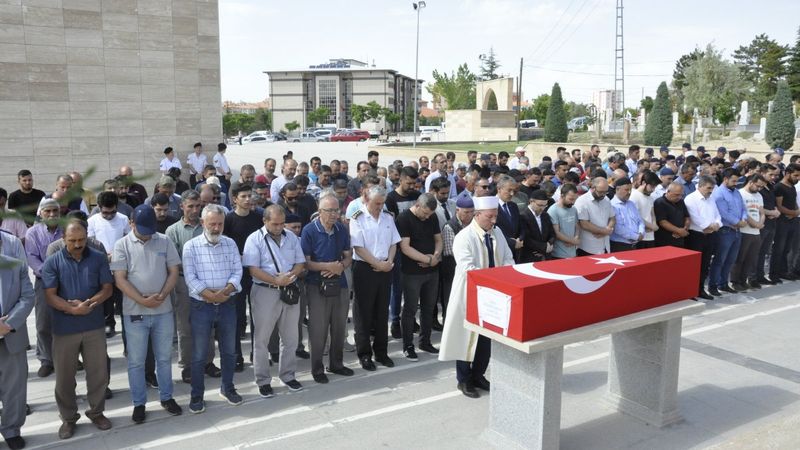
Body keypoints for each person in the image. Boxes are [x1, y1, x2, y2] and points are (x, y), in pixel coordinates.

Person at [41, 221, 113, 439]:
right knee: (64, 378)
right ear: (63, 238)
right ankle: (68, 419)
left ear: (87, 236)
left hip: (93, 326)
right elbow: (50, 295)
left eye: (81, 240)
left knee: (98, 373)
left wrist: (88, 304)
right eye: (72, 241)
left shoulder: (98, 257)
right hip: (65, 329)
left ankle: (97, 412)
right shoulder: (53, 262)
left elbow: (107, 289)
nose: (78, 244)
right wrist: (73, 310)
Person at [111, 205, 182, 423]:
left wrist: (162, 294)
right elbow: (120, 279)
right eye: (142, 229)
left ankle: (166, 397)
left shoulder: (164, 240)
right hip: (135, 313)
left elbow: (174, 272)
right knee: (136, 361)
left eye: (150, 229)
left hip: (163, 310)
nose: (147, 233)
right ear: (131, 223)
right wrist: (142, 300)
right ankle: (138, 403)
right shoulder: (121, 245)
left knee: (163, 358)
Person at [439, 196, 514, 398]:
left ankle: (479, 375)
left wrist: (502, 278)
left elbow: (508, 258)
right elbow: (467, 268)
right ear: (477, 215)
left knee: (487, 339)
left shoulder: (497, 232)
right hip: (470, 295)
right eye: (490, 217)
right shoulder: (464, 237)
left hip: (493, 296)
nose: (494, 221)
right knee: (466, 339)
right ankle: (464, 380)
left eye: (495, 216)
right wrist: (493, 280)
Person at [182, 204, 243, 414]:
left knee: (229, 351)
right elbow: (190, 278)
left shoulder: (230, 244)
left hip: (227, 304)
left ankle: (228, 388)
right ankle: (197, 395)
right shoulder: (191, 246)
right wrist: (211, 295)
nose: (216, 228)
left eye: (220, 223)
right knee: (199, 354)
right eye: (212, 224)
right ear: (202, 223)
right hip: (202, 306)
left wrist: (225, 292)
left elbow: (237, 271)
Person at [242, 205, 306, 396]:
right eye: (274, 224)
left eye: (281, 224)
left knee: (291, 337)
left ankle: (288, 375)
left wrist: (291, 275)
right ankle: (263, 380)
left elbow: (300, 262)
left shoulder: (291, 237)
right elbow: (253, 269)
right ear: (265, 221)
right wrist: (276, 280)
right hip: (265, 291)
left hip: (289, 290)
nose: (279, 227)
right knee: (261, 339)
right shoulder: (254, 239)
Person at [165, 190, 218, 383]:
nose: (195, 210)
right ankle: (187, 365)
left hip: (209, 281)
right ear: (182, 206)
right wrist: (194, 267)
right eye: (191, 206)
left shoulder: (209, 225)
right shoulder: (173, 231)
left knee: (208, 323)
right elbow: (172, 261)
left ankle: (208, 362)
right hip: (183, 282)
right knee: (185, 326)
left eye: (198, 206)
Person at [300, 194, 354, 383]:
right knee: (318, 329)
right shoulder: (309, 231)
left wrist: (341, 266)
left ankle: (337, 364)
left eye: (336, 210)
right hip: (317, 286)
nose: (334, 214)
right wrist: (327, 266)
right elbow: (305, 263)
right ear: (320, 211)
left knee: (339, 327)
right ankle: (317, 369)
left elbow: (348, 255)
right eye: (329, 211)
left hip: (340, 284)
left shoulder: (341, 229)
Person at [350, 186, 400, 371]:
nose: (380, 206)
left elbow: (394, 242)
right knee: (363, 313)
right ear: (366, 198)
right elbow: (358, 247)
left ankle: (381, 352)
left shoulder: (387, 217)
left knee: (381, 312)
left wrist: (388, 262)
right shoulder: (358, 218)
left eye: (382, 203)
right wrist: (378, 264)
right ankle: (364, 354)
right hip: (365, 267)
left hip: (386, 267)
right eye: (376, 203)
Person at [223, 183, 264, 372]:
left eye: (250, 196)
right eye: (244, 196)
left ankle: (257, 354)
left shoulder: (258, 218)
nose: (248, 200)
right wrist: (239, 257)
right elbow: (224, 247)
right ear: (235, 199)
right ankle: (236, 356)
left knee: (258, 317)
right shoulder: (228, 220)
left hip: (257, 273)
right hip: (236, 276)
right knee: (237, 318)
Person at [397, 193, 442, 360]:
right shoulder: (404, 219)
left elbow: (438, 240)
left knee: (429, 308)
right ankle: (408, 345)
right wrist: (427, 259)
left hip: (431, 271)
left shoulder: (432, 216)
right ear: (417, 205)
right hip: (412, 273)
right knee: (409, 309)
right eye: (425, 213)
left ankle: (425, 341)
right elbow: (405, 247)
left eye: (430, 214)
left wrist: (435, 257)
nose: (427, 216)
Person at [0, 248, 35, 450]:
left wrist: (7, 325)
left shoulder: (16, 265)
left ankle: (11, 430)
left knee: (14, 389)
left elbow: (27, 298)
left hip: (11, 336)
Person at [24, 198, 63, 378]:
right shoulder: (32, 233)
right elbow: (32, 258)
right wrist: (49, 273)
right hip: (44, 282)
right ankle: (46, 359)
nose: (52, 214)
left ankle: (67, 357)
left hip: (67, 281)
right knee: (43, 323)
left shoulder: (66, 230)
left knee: (66, 321)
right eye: (47, 211)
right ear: (40, 213)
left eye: (55, 211)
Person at [708, 168, 748, 294]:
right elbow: (723, 212)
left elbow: (743, 208)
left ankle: (723, 283)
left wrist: (744, 219)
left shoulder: (736, 192)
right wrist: (737, 222)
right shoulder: (718, 193)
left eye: (737, 181)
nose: (736, 183)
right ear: (725, 179)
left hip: (737, 231)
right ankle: (713, 285)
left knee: (730, 259)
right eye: (733, 181)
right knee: (720, 259)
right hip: (725, 231)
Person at [685, 176, 722, 298]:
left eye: (712, 188)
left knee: (705, 264)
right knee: (694, 265)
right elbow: (695, 217)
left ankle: (700, 289)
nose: (711, 191)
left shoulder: (711, 199)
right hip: (696, 236)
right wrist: (708, 226)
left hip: (710, 235)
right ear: (700, 186)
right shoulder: (691, 199)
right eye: (708, 188)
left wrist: (717, 224)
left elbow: (717, 215)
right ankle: (690, 291)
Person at [731, 174, 767, 290]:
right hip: (744, 231)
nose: (759, 189)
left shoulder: (759, 195)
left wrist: (760, 223)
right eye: (758, 186)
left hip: (756, 232)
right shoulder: (740, 193)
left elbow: (761, 212)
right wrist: (755, 224)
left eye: (761, 187)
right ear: (751, 182)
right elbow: (743, 212)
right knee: (740, 258)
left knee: (751, 258)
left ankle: (743, 280)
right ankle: (735, 281)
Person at [770, 164, 800, 282]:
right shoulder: (779, 187)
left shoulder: (792, 187)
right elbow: (779, 206)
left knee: (787, 248)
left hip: (791, 221)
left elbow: (794, 202)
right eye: (795, 175)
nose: (797, 178)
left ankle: (783, 271)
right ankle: (774, 274)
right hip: (781, 222)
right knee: (778, 248)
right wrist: (794, 212)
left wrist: (796, 212)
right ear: (787, 174)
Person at [575, 177, 615, 256]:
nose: (603, 195)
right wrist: (604, 231)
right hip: (588, 247)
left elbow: (612, 218)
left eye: (605, 192)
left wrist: (607, 229)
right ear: (593, 188)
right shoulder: (582, 201)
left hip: (605, 246)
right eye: (600, 192)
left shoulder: (606, 199)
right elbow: (584, 223)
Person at [609, 178, 644, 252]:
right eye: (626, 190)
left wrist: (641, 232)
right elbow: (618, 228)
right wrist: (637, 236)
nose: (629, 192)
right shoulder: (612, 205)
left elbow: (640, 221)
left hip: (634, 244)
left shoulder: (631, 204)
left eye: (630, 190)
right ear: (617, 189)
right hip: (619, 245)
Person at [520, 189, 556, 262]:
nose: (542, 208)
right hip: (530, 257)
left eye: (545, 206)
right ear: (531, 201)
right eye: (540, 205)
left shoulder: (545, 215)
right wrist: (543, 248)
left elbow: (552, 233)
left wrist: (549, 244)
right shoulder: (523, 216)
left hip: (545, 256)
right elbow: (526, 238)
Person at [653, 182, 691, 249]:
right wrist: (679, 231)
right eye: (676, 195)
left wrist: (685, 228)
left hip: (680, 239)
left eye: (681, 195)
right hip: (665, 241)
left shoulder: (681, 201)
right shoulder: (660, 202)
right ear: (668, 192)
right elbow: (662, 222)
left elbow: (687, 217)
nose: (679, 197)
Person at [494, 175, 523, 261]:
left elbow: (520, 226)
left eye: (514, 191)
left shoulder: (513, 205)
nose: (512, 194)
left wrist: (520, 239)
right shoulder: (491, 206)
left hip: (515, 251)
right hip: (499, 252)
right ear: (499, 189)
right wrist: (512, 242)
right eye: (509, 190)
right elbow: (492, 230)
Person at [548, 184, 580, 259]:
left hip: (573, 252)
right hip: (558, 254)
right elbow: (556, 232)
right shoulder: (553, 210)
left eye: (575, 199)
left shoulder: (573, 209)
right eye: (571, 199)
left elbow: (577, 226)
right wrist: (573, 241)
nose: (573, 202)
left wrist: (576, 237)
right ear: (562, 196)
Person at [630, 171, 660, 248]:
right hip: (639, 236)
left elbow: (652, 213)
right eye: (652, 186)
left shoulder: (650, 197)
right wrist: (651, 226)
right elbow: (635, 216)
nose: (653, 190)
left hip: (650, 235)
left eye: (655, 187)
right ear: (643, 183)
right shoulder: (634, 196)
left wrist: (654, 224)